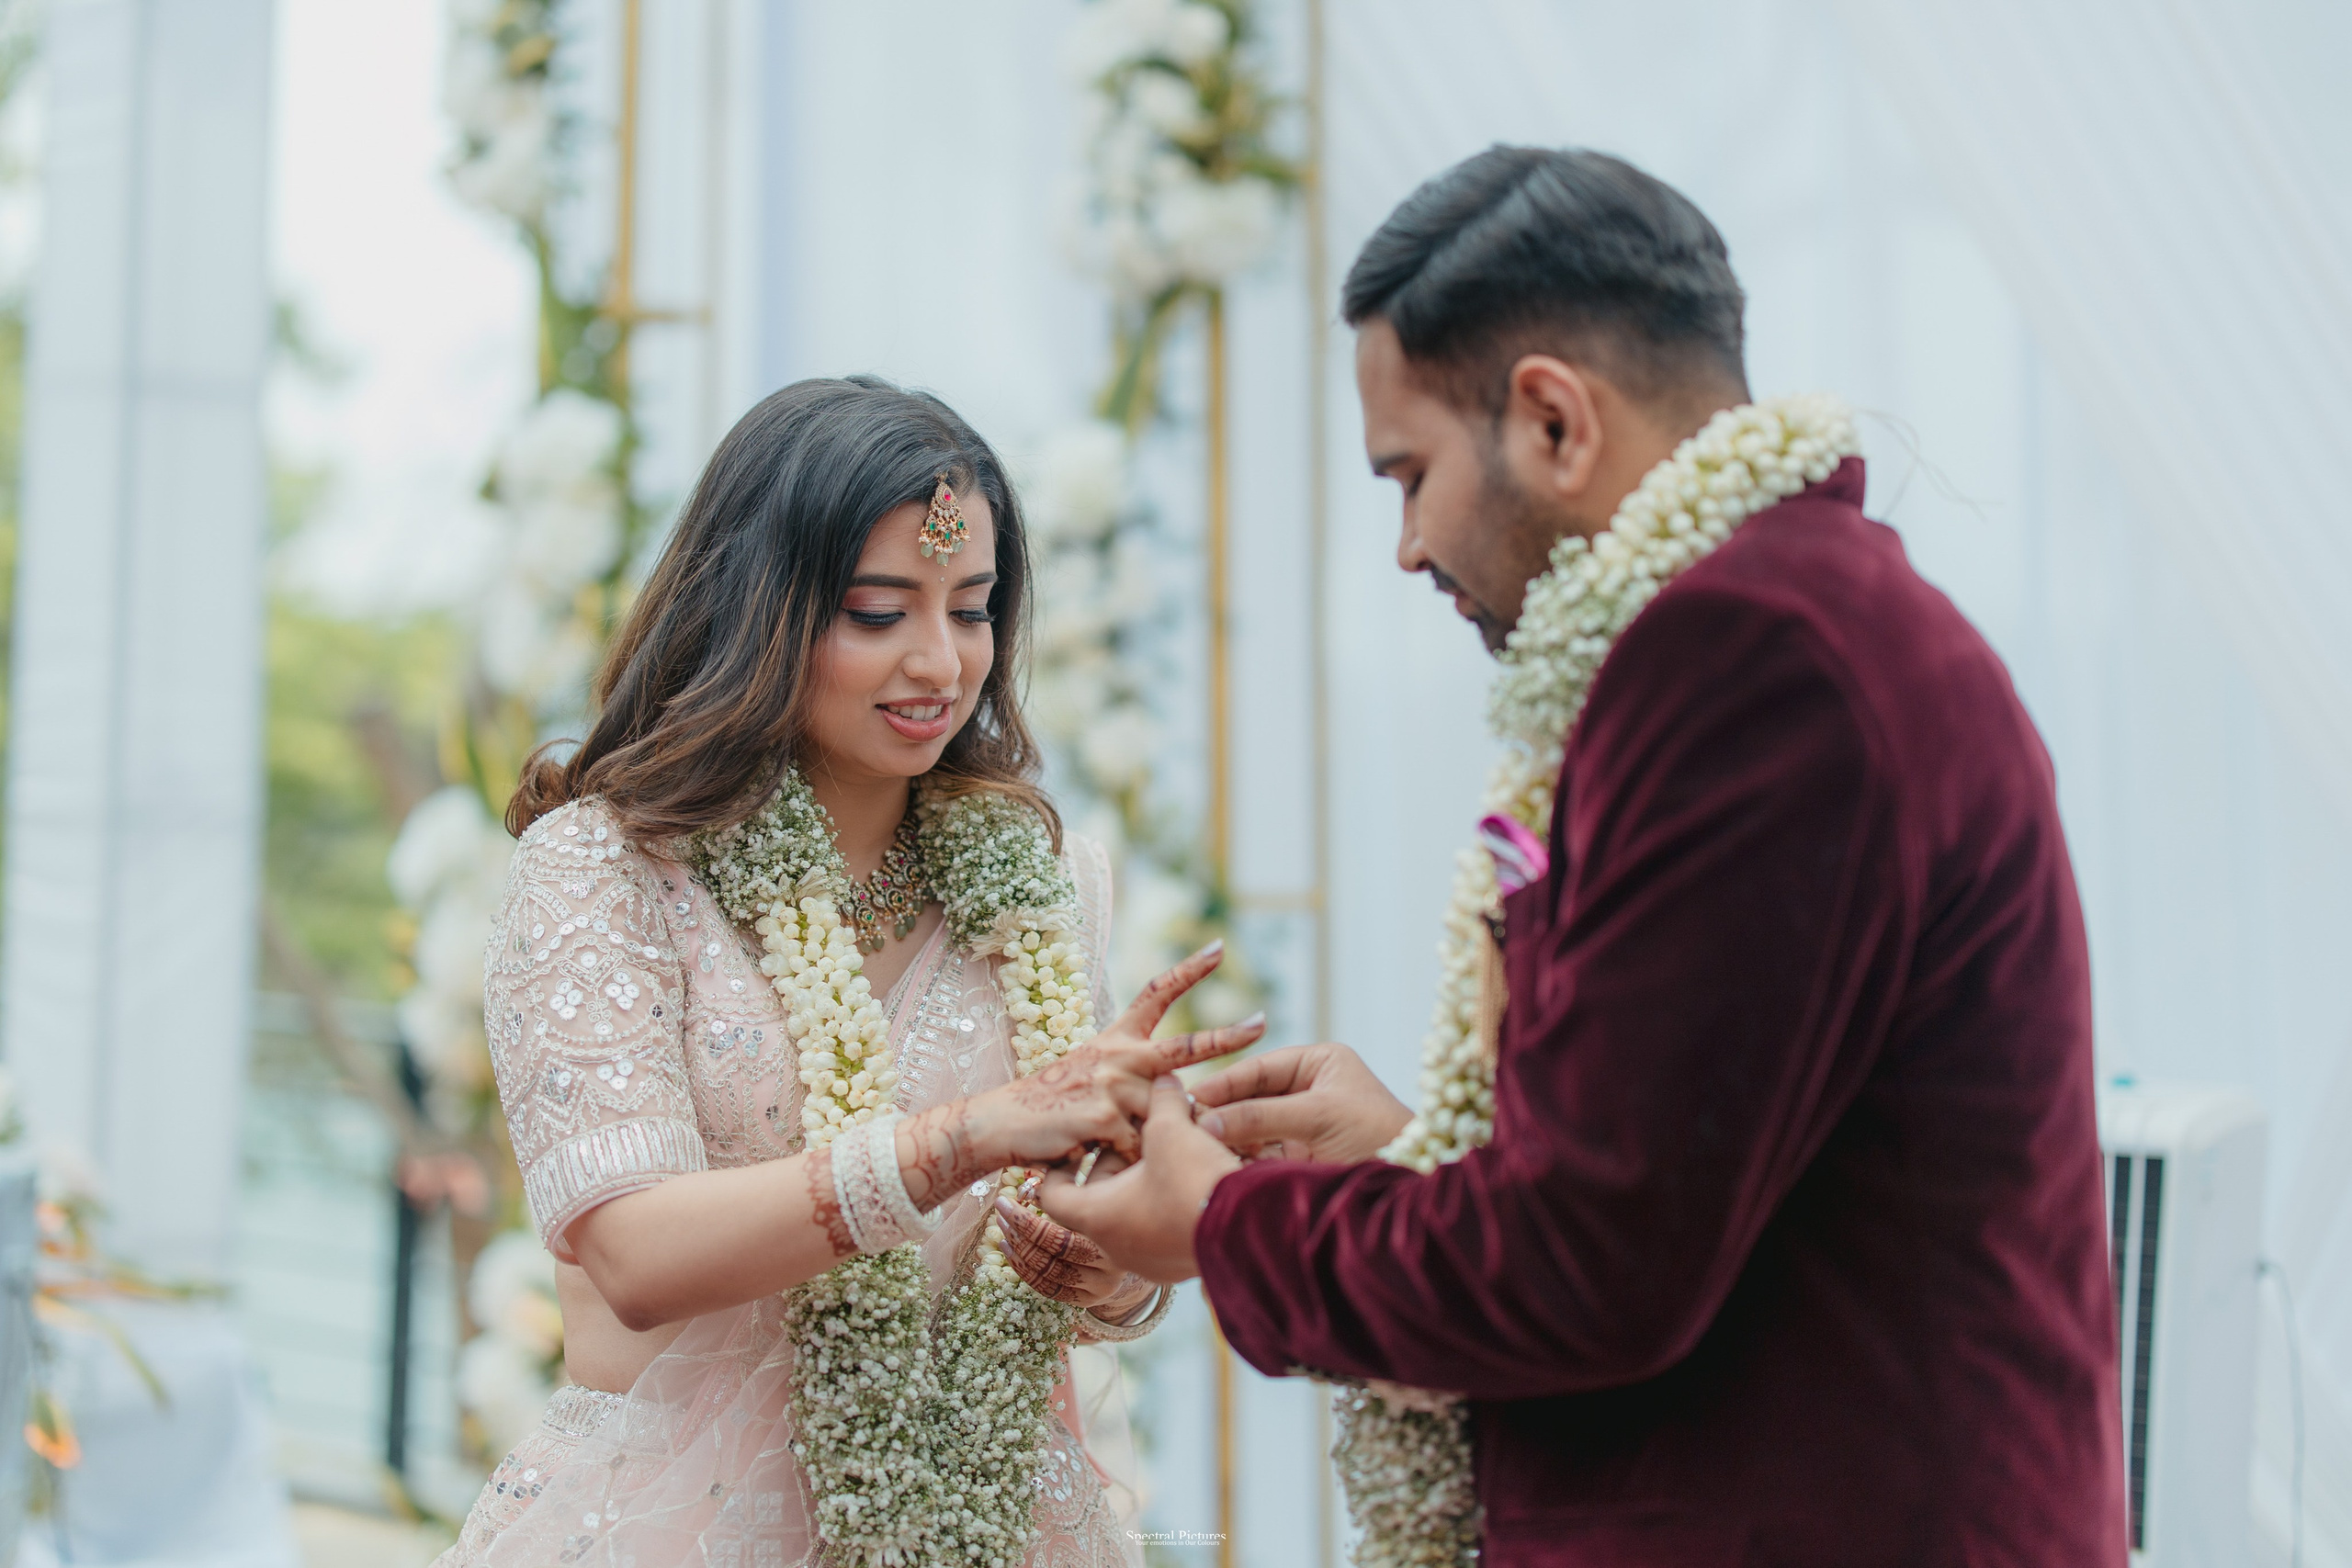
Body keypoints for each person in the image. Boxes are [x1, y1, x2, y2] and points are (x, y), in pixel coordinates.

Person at [1045, 148, 2126, 1566]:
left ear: (1553, 419)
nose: (1410, 547)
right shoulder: (1817, 618)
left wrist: (1229, 1225)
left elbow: (1591, 1266)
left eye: (1411, 473)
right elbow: (1695, 1175)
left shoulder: (1753, 662)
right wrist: (1419, 1166)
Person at [435, 376, 1261, 1568]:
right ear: (757, 608)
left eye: (972, 610)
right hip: (677, 1526)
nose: (940, 661)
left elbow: (1078, 1292)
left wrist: (1113, 1270)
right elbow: (635, 1257)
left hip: (999, 1521)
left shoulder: (1042, 884)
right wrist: (960, 1141)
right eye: (879, 613)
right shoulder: (610, 870)